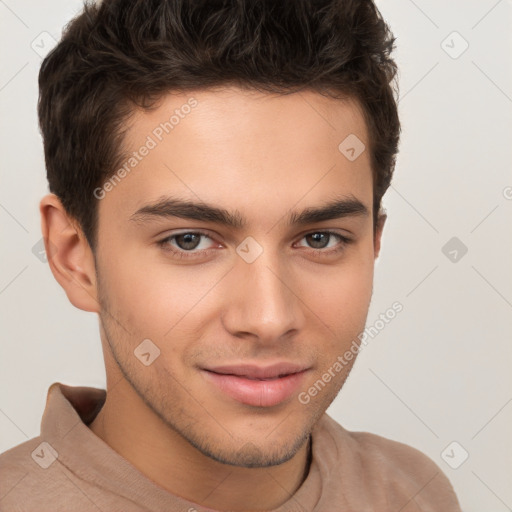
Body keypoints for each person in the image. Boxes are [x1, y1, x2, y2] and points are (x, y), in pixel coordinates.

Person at [0, 0, 462, 510]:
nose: (268, 319)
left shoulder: (412, 492)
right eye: (189, 240)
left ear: (373, 242)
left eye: (319, 239)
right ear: (73, 257)